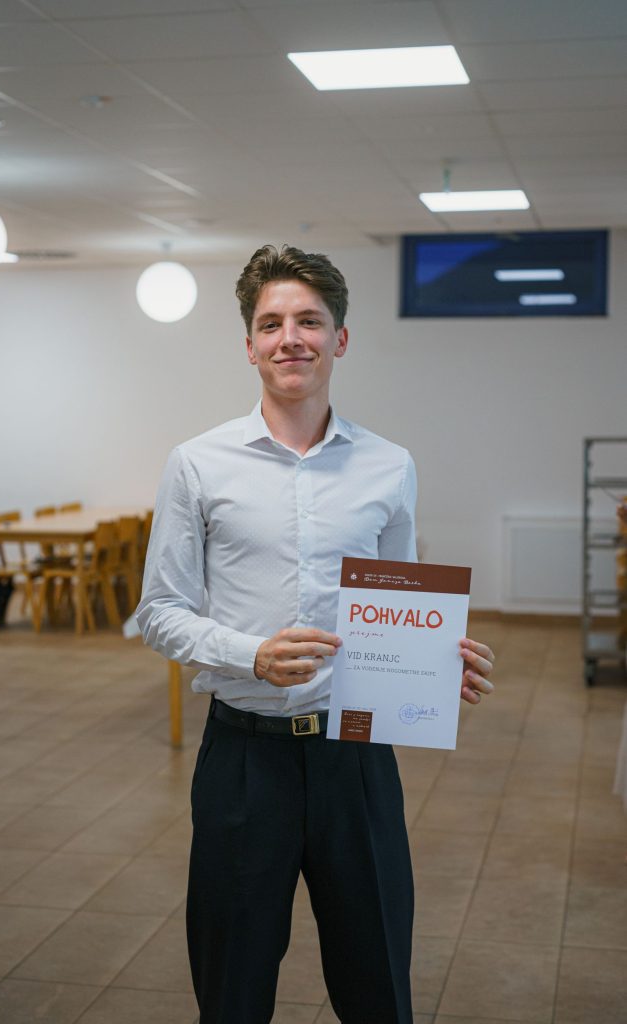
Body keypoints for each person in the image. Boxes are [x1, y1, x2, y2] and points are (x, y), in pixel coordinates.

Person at [137, 244, 495, 1024]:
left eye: (308, 320)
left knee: (377, 984)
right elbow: (158, 611)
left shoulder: (389, 465)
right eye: (271, 324)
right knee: (232, 990)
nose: (289, 338)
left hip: (354, 758)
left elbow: (398, 602)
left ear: (340, 338)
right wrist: (250, 656)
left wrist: (436, 662)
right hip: (243, 760)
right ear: (249, 344)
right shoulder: (197, 464)